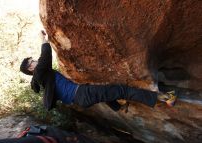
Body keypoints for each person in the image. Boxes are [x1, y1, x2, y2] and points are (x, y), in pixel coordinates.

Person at [20, 31, 176, 111]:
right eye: (32, 61)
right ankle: (166, 97)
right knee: (123, 90)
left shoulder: (42, 76)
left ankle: (119, 108)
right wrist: (43, 39)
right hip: (81, 94)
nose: (35, 60)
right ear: (30, 67)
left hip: (81, 97)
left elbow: (45, 62)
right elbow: (46, 55)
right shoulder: (39, 74)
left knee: (105, 92)